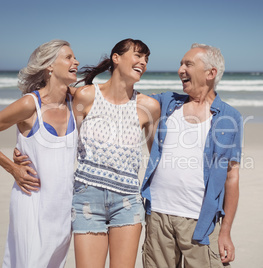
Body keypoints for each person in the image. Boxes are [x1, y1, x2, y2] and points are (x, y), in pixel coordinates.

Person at [0, 39, 80, 267]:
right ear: (49, 66)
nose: (75, 61)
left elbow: (109, 96)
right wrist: (13, 168)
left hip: (63, 206)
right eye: (68, 57)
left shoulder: (75, 101)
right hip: (32, 202)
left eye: (74, 57)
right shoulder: (30, 104)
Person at [141, 43, 243, 267]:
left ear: (210, 73)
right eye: (180, 64)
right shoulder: (167, 103)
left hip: (201, 223)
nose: (180, 70)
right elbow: (125, 97)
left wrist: (225, 231)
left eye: (188, 64)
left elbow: (231, 177)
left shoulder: (230, 117)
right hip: (158, 215)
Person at [70, 38, 160, 267]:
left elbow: (157, 158)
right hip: (86, 198)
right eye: (138, 55)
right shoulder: (86, 96)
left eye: (146, 59)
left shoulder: (148, 106)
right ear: (116, 58)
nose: (143, 62)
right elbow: (66, 143)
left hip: (127, 201)